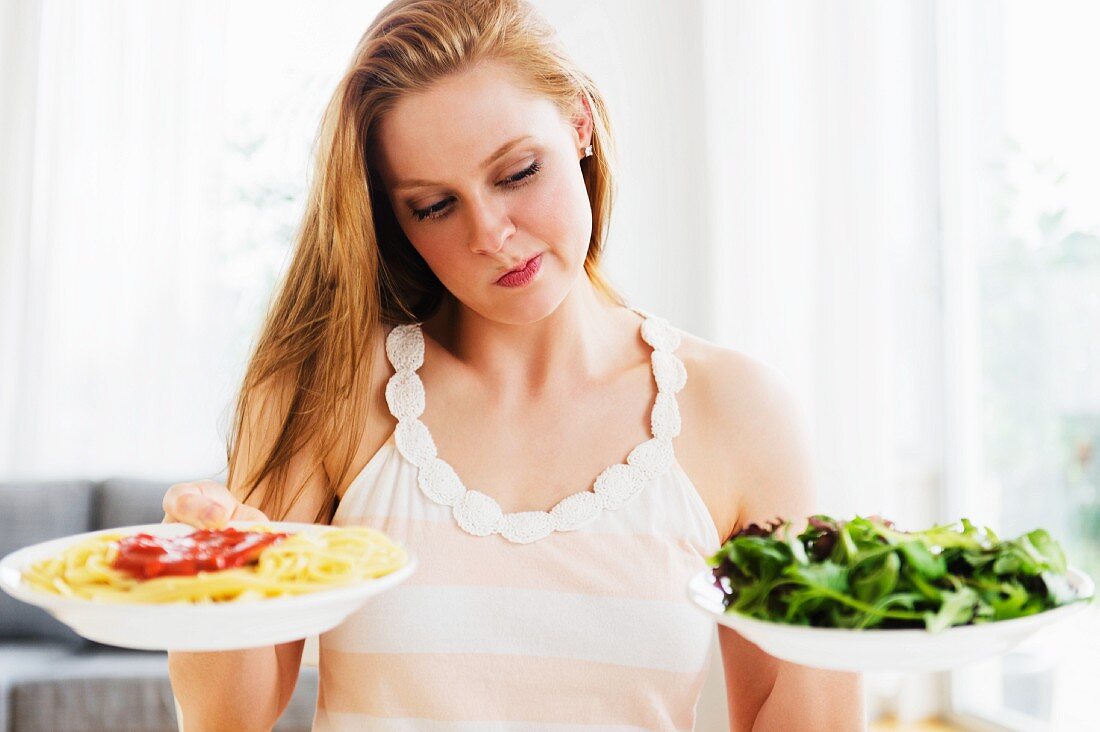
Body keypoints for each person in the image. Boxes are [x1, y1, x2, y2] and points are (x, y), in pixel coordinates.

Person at [163, 0, 863, 729]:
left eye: (519, 172)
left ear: (580, 124)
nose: (491, 235)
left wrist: (849, 608)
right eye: (434, 206)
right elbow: (225, 718)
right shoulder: (332, 389)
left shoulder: (735, 411)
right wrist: (209, 569)